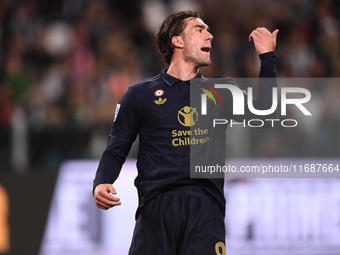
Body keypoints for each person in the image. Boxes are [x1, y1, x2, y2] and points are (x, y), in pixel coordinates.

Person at [93, 10, 278, 255]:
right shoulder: (139, 95)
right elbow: (115, 150)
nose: (210, 36)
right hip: (156, 210)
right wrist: (101, 182)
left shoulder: (220, 90)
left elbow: (266, 113)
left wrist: (267, 58)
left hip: (205, 211)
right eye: (199, 30)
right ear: (177, 41)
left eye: (208, 31)